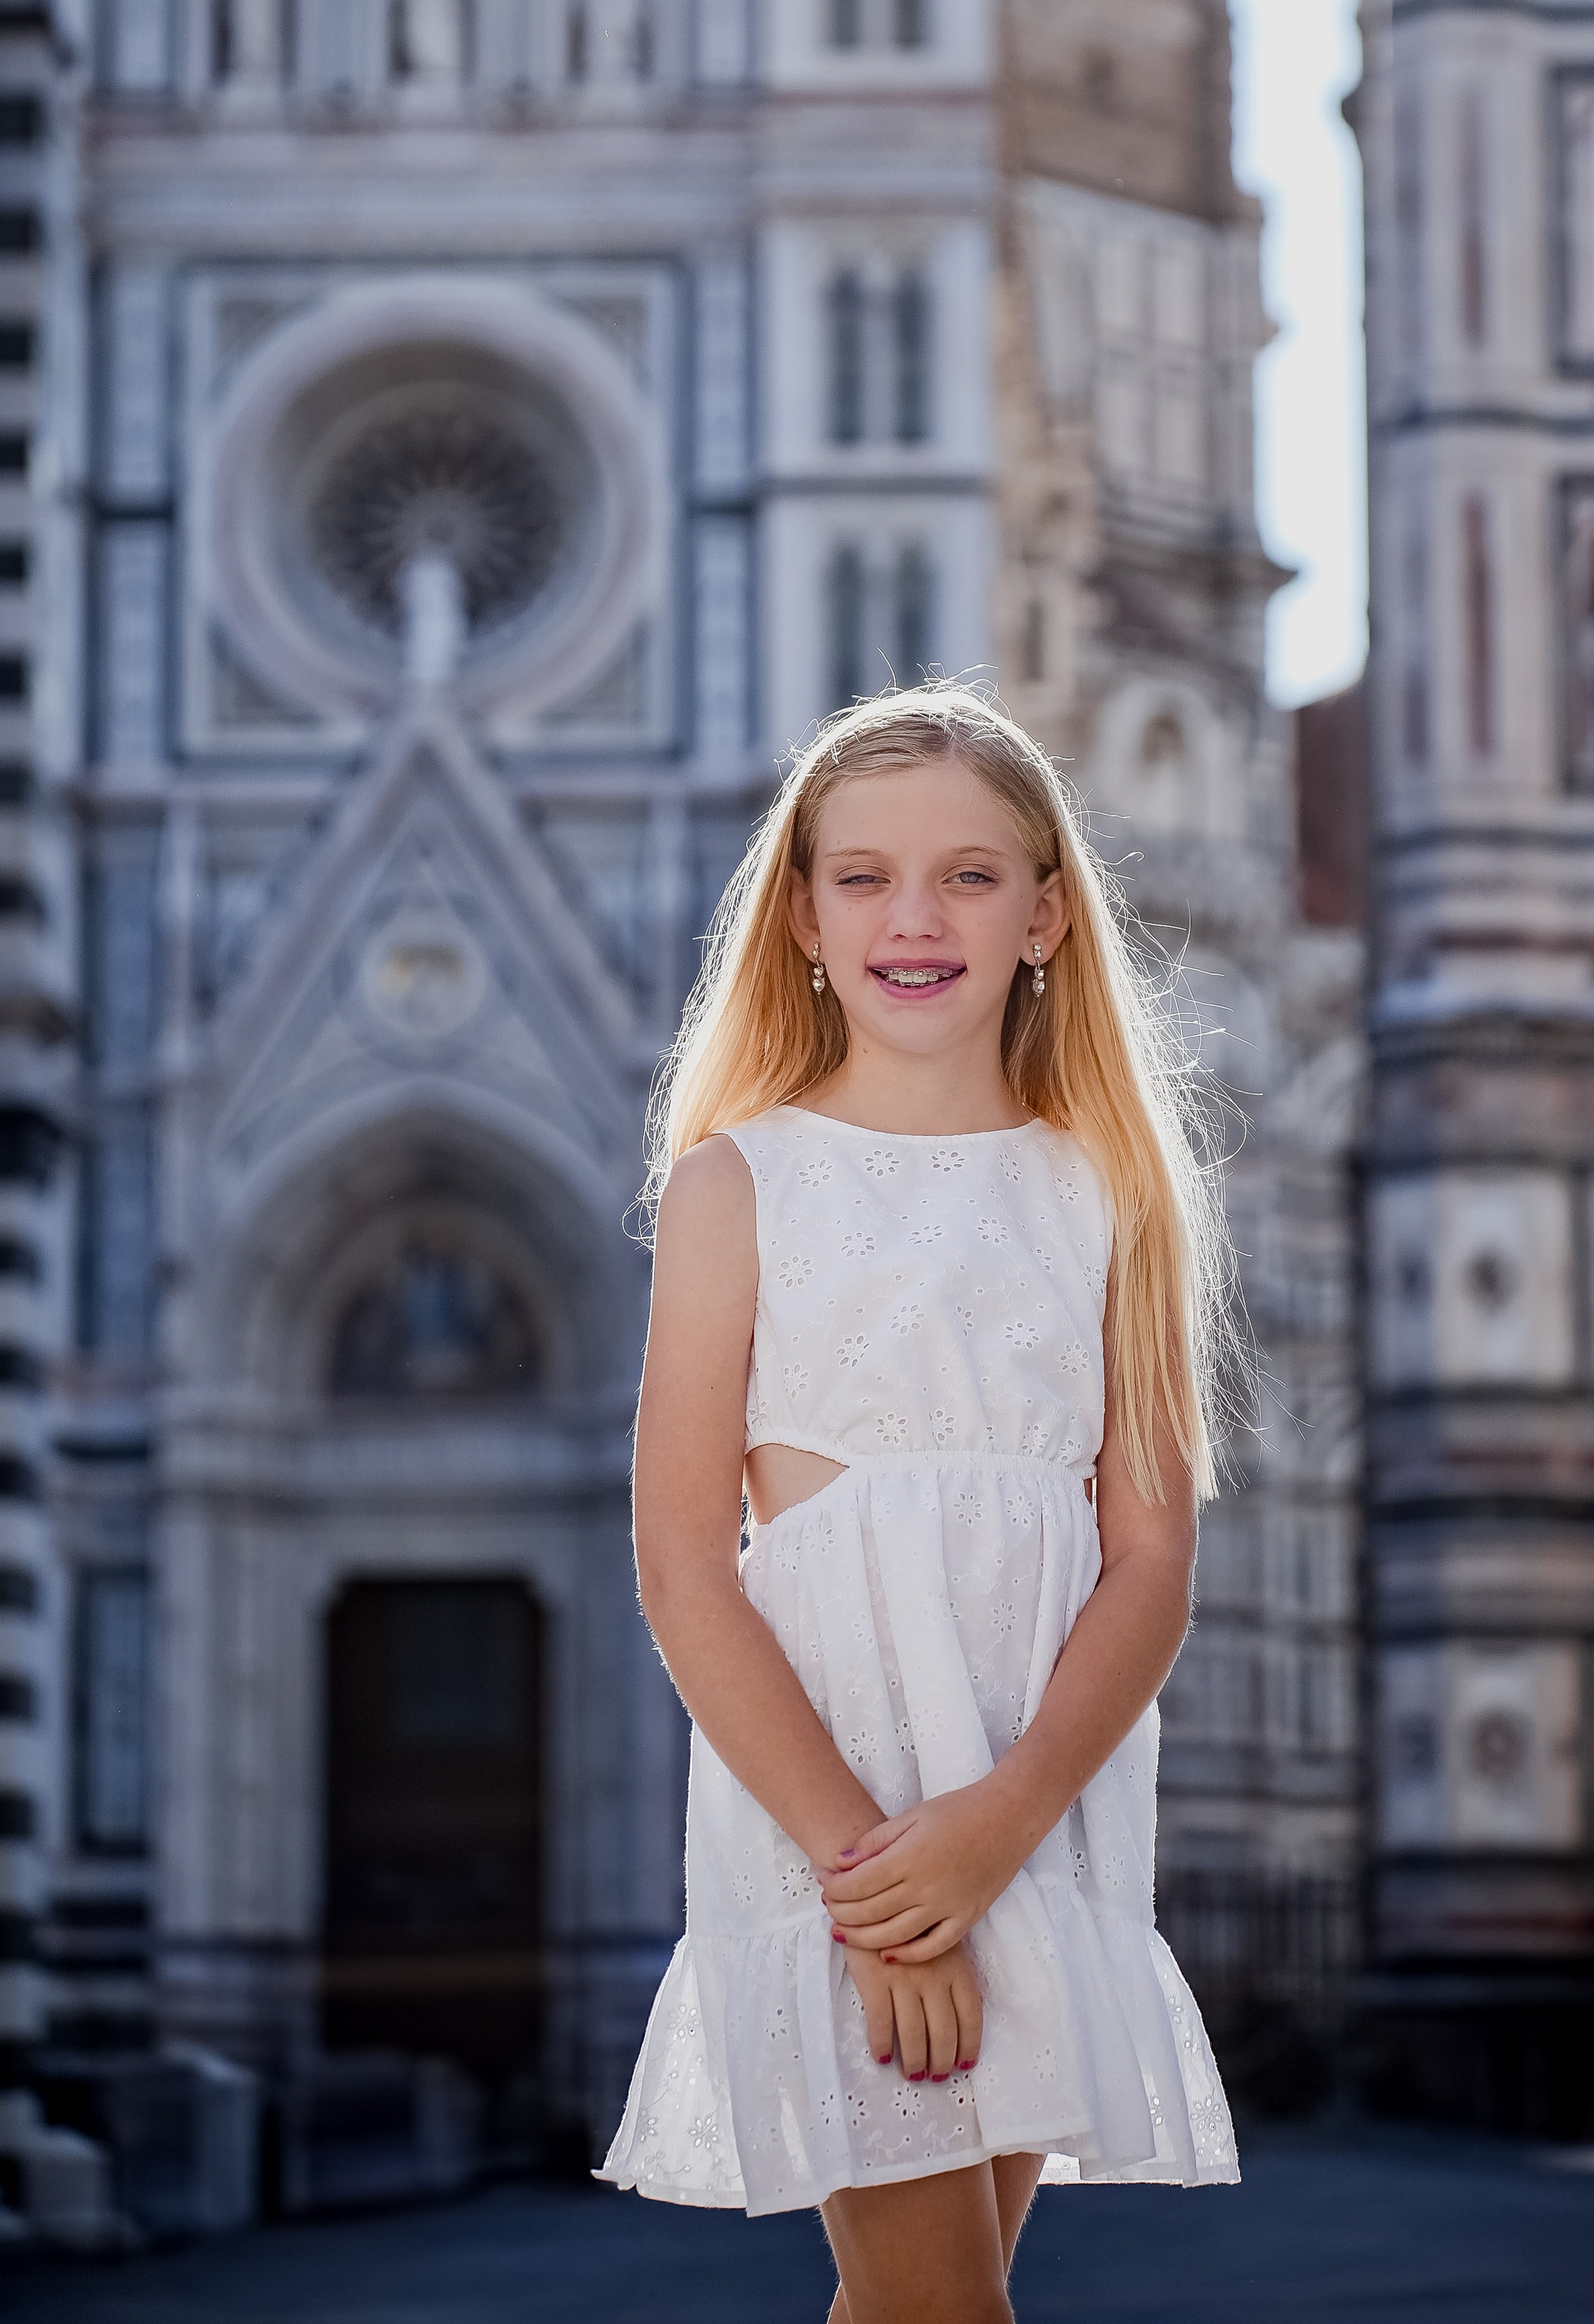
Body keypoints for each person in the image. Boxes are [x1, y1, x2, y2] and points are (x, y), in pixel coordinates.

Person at [599, 684, 1238, 2323]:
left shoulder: (1110, 1190)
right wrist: (873, 1884)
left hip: (1040, 1810)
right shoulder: (739, 1184)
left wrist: (1004, 1821)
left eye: (967, 875)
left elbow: (1150, 1559)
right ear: (801, 916)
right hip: (838, 1820)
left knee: (921, 2303)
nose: (913, 915)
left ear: (1043, 916)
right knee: (942, 2305)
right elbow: (682, 1563)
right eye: (862, 875)